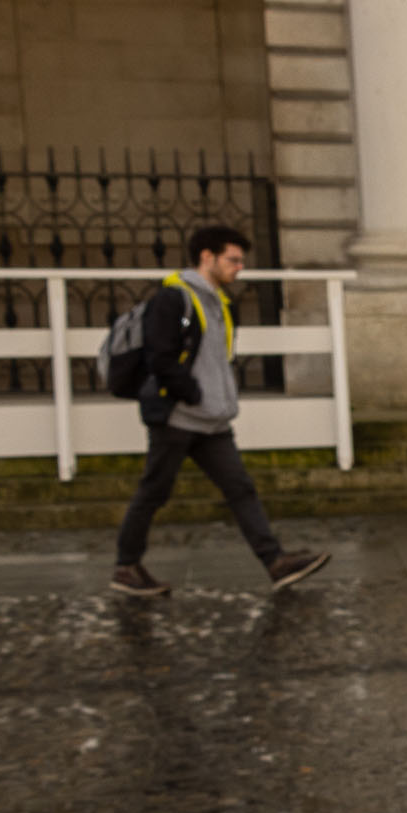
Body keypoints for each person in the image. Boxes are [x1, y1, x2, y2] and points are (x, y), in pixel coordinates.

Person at [109, 225, 327, 596]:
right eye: (233, 259)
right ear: (207, 257)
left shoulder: (219, 302)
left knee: (240, 488)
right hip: (179, 417)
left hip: (212, 420)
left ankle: (276, 563)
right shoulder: (173, 299)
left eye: (241, 260)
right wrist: (190, 393)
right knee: (154, 491)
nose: (240, 267)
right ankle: (126, 568)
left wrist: (214, 401)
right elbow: (160, 356)